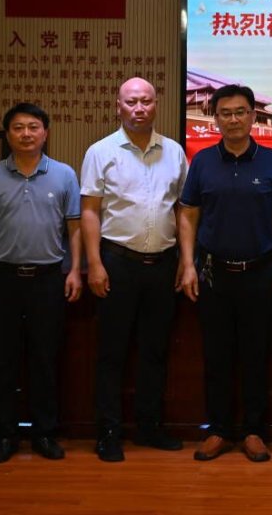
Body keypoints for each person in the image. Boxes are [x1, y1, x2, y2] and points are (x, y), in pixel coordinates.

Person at [177, 84, 272, 463]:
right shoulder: (202, 161)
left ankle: (254, 432)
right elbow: (188, 213)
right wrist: (187, 264)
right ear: (215, 118)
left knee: (257, 355)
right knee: (217, 356)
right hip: (213, 274)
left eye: (240, 112)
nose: (233, 119)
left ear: (252, 116)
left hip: (259, 272)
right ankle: (218, 430)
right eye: (225, 113)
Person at [81, 77, 187, 462]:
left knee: (155, 351)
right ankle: (108, 432)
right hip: (117, 263)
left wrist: (186, 261)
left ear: (156, 105)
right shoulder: (101, 152)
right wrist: (94, 263)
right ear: (118, 106)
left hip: (163, 264)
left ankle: (149, 426)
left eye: (145, 101)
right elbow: (89, 212)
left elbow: (184, 210)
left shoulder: (174, 152)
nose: (139, 108)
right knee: (112, 352)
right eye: (131, 102)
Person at [0, 103, 82, 464]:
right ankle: (5, 436)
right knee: (2, 360)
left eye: (33, 127)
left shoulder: (64, 174)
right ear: (8, 135)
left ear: (45, 133)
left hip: (48, 279)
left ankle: (44, 434)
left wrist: (74, 270)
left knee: (45, 360)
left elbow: (75, 228)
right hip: (2, 278)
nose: (26, 134)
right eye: (18, 128)